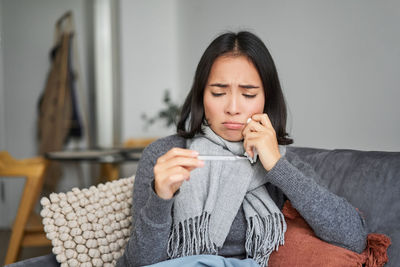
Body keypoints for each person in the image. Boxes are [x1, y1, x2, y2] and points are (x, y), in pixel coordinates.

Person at [117, 31, 367, 267]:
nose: (233, 107)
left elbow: (353, 237)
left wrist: (277, 167)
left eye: (248, 95)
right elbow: (140, 263)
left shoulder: (279, 161)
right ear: (202, 96)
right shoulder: (165, 155)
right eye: (218, 92)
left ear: (266, 99)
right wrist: (160, 198)